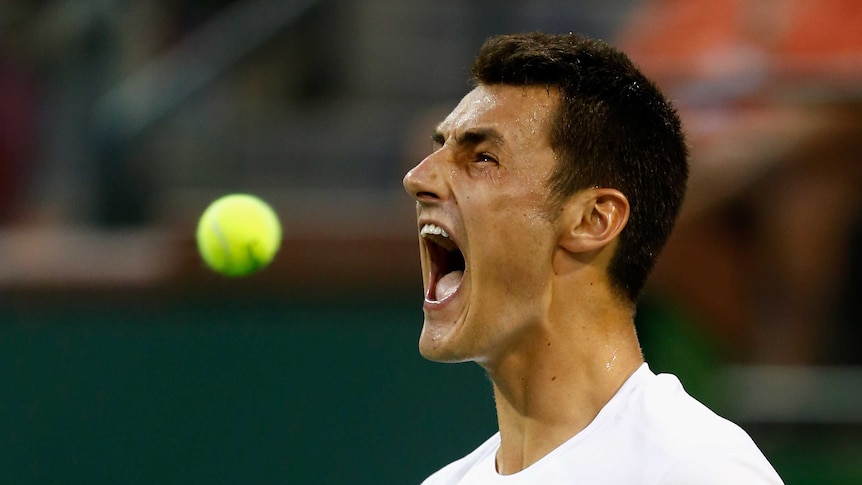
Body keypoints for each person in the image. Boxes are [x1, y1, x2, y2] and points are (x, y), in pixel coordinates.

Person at [402, 32, 784, 484]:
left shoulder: (696, 469)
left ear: (592, 220)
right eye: (437, 150)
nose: (416, 179)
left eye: (483, 158)